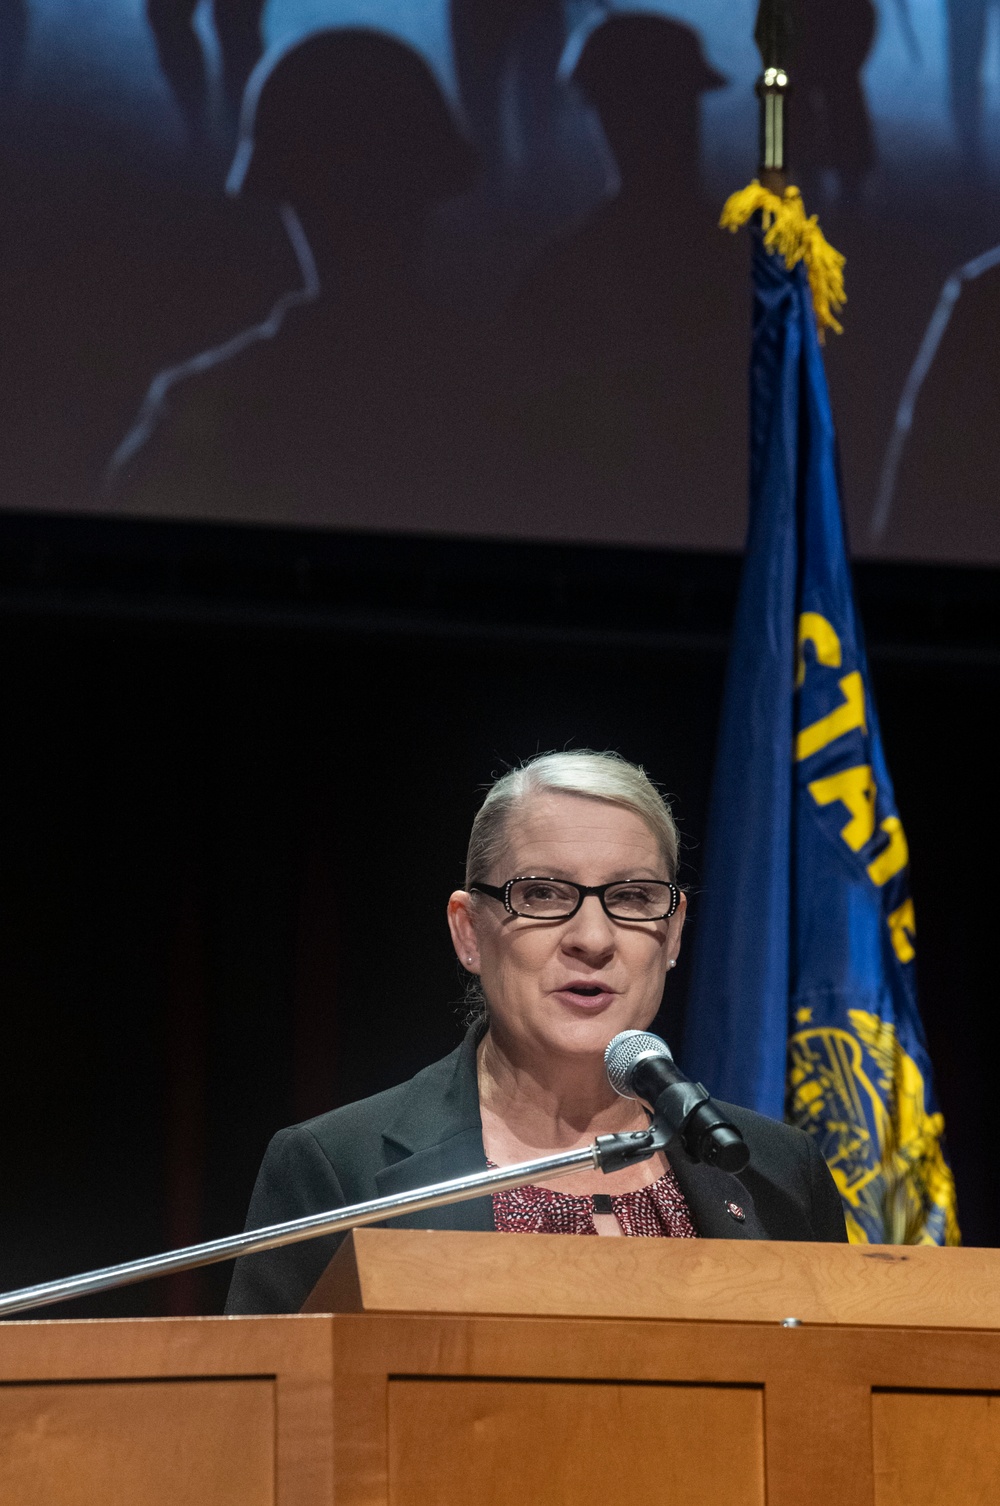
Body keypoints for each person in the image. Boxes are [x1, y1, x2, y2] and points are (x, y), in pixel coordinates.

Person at [226, 751, 847, 1315]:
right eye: (544, 894)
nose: (593, 939)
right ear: (469, 931)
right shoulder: (337, 1168)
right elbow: (274, 1423)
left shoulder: (776, 1172)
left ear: (674, 932)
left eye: (631, 897)